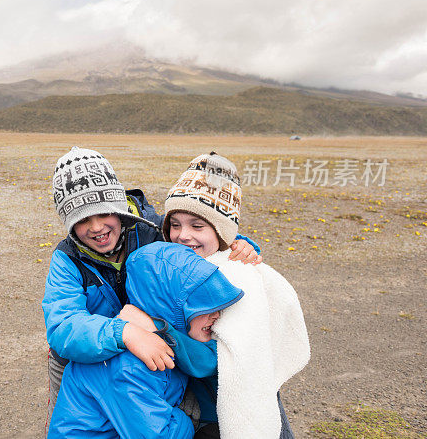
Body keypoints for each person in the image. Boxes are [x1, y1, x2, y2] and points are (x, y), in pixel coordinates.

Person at [42, 147, 261, 428]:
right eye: (82, 219)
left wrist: (238, 244)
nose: (96, 227)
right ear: (70, 224)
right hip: (84, 362)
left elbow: (197, 237)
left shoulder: (152, 231)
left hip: (152, 355)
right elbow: (63, 327)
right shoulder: (67, 259)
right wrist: (125, 332)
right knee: (75, 423)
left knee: (145, 419)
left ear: (118, 206)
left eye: (103, 213)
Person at [154, 152, 310, 438]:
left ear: (222, 231)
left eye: (197, 226)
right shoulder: (173, 264)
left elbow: (231, 356)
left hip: (222, 407)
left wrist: (157, 331)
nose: (182, 235)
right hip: (197, 403)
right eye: (174, 224)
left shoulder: (237, 278)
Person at [46, 240, 244, 438]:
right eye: (203, 305)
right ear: (169, 305)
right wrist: (188, 420)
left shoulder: (164, 336)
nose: (216, 315)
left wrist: (240, 246)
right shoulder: (130, 366)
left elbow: (199, 229)